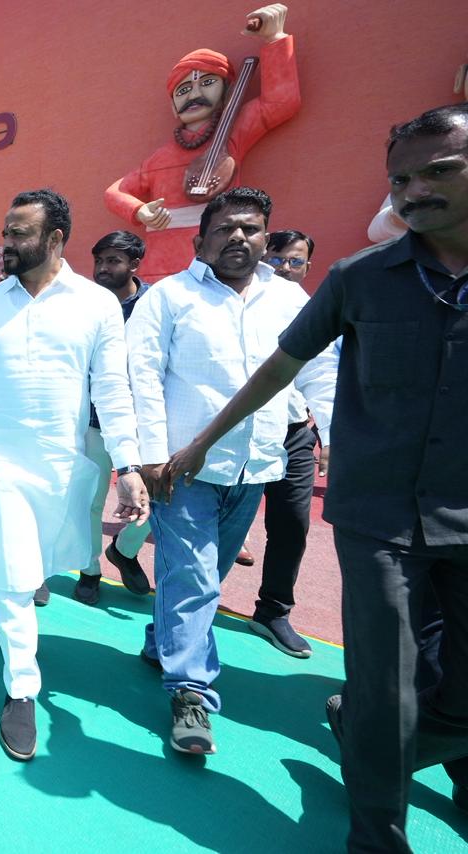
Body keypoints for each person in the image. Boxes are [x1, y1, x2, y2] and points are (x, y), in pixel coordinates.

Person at [164, 104, 468, 851]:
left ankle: (396, 739)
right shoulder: (360, 279)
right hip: (377, 518)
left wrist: (317, 432)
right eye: (400, 179)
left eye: (439, 172)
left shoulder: (289, 290)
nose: (415, 191)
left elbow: (319, 383)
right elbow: (283, 369)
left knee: (450, 685)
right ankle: (374, 829)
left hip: (458, 509)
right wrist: (194, 444)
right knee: (385, 682)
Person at [0, 189, 149, 762]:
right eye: (5, 231)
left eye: (18, 233)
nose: (5, 243)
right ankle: (22, 689)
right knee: (14, 576)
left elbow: (112, 389)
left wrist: (128, 465)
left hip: (60, 466)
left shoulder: (96, 305)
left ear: (55, 238)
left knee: (38, 567)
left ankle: (9, 611)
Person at [125, 187, 335, 756]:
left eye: (250, 228)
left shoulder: (288, 299)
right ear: (200, 242)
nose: (238, 237)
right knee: (194, 578)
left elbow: (320, 370)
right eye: (224, 229)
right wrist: (148, 455)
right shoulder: (169, 298)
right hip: (182, 468)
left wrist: (335, 436)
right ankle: (190, 692)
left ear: (267, 239)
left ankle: (163, 641)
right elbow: (142, 376)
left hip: (255, 464)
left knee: (204, 577)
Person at [104, 4, 299, 280]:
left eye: (207, 83)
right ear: (173, 106)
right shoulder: (160, 158)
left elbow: (280, 103)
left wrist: (275, 39)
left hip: (215, 263)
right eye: (183, 89)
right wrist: (139, 211)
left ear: (226, 93)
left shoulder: (232, 133)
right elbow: (114, 192)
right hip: (159, 269)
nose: (194, 94)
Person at [241, 228, 329, 656]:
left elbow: (325, 373)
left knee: (292, 524)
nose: (286, 269)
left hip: (294, 432)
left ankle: (273, 611)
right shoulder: (243, 300)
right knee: (220, 526)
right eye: (278, 259)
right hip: (242, 428)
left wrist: (327, 432)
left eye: (296, 262)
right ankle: (185, 615)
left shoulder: (312, 308)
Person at [74, 231, 155, 605]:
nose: (103, 269)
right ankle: (90, 570)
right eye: (99, 261)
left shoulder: (155, 306)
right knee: (90, 502)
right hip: (93, 421)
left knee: (156, 500)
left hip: (145, 423)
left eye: (113, 261)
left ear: (135, 264)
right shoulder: (85, 305)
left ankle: (124, 550)